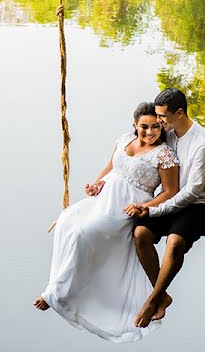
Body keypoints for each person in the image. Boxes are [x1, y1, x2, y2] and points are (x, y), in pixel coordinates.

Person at [32, 102, 180, 342]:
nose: (150, 132)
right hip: (104, 198)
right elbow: (112, 167)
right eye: (144, 126)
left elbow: (171, 191)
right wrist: (97, 183)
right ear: (135, 124)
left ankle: (57, 293)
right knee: (67, 220)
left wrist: (144, 207)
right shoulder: (124, 140)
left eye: (155, 127)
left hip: (127, 207)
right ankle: (57, 284)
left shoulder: (164, 155)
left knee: (83, 234)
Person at [125, 87, 205, 328]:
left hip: (200, 205)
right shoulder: (169, 132)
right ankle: (163, 296)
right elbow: (140, 144)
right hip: (172, 200)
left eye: (163, 117)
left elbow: (192, 193)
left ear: (179, 113)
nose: (159, 122)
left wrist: (154, 210)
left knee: (175, 242)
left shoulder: (202, 145)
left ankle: (152, 299)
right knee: (140, 233)